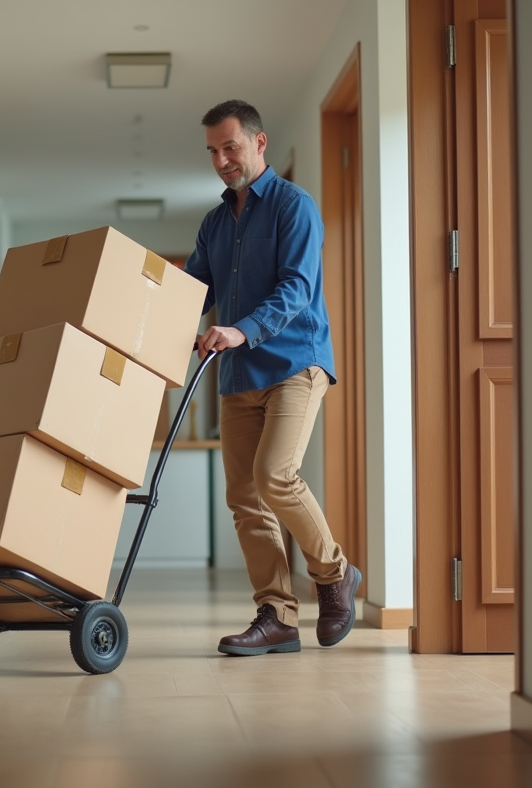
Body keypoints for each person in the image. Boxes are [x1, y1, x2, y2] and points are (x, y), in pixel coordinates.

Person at [184, 99, 360, 655]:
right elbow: (194, 289)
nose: (221, 160)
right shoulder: (215, 222)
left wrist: (240, 330)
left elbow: (296, 290)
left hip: (293, 363)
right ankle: (277, 615)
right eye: (213, 151)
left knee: (274, 475)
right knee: (244, 497)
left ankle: (334, 575)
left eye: (230, 147)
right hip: (239, 375)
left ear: (258, 143)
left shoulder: (294, 207)